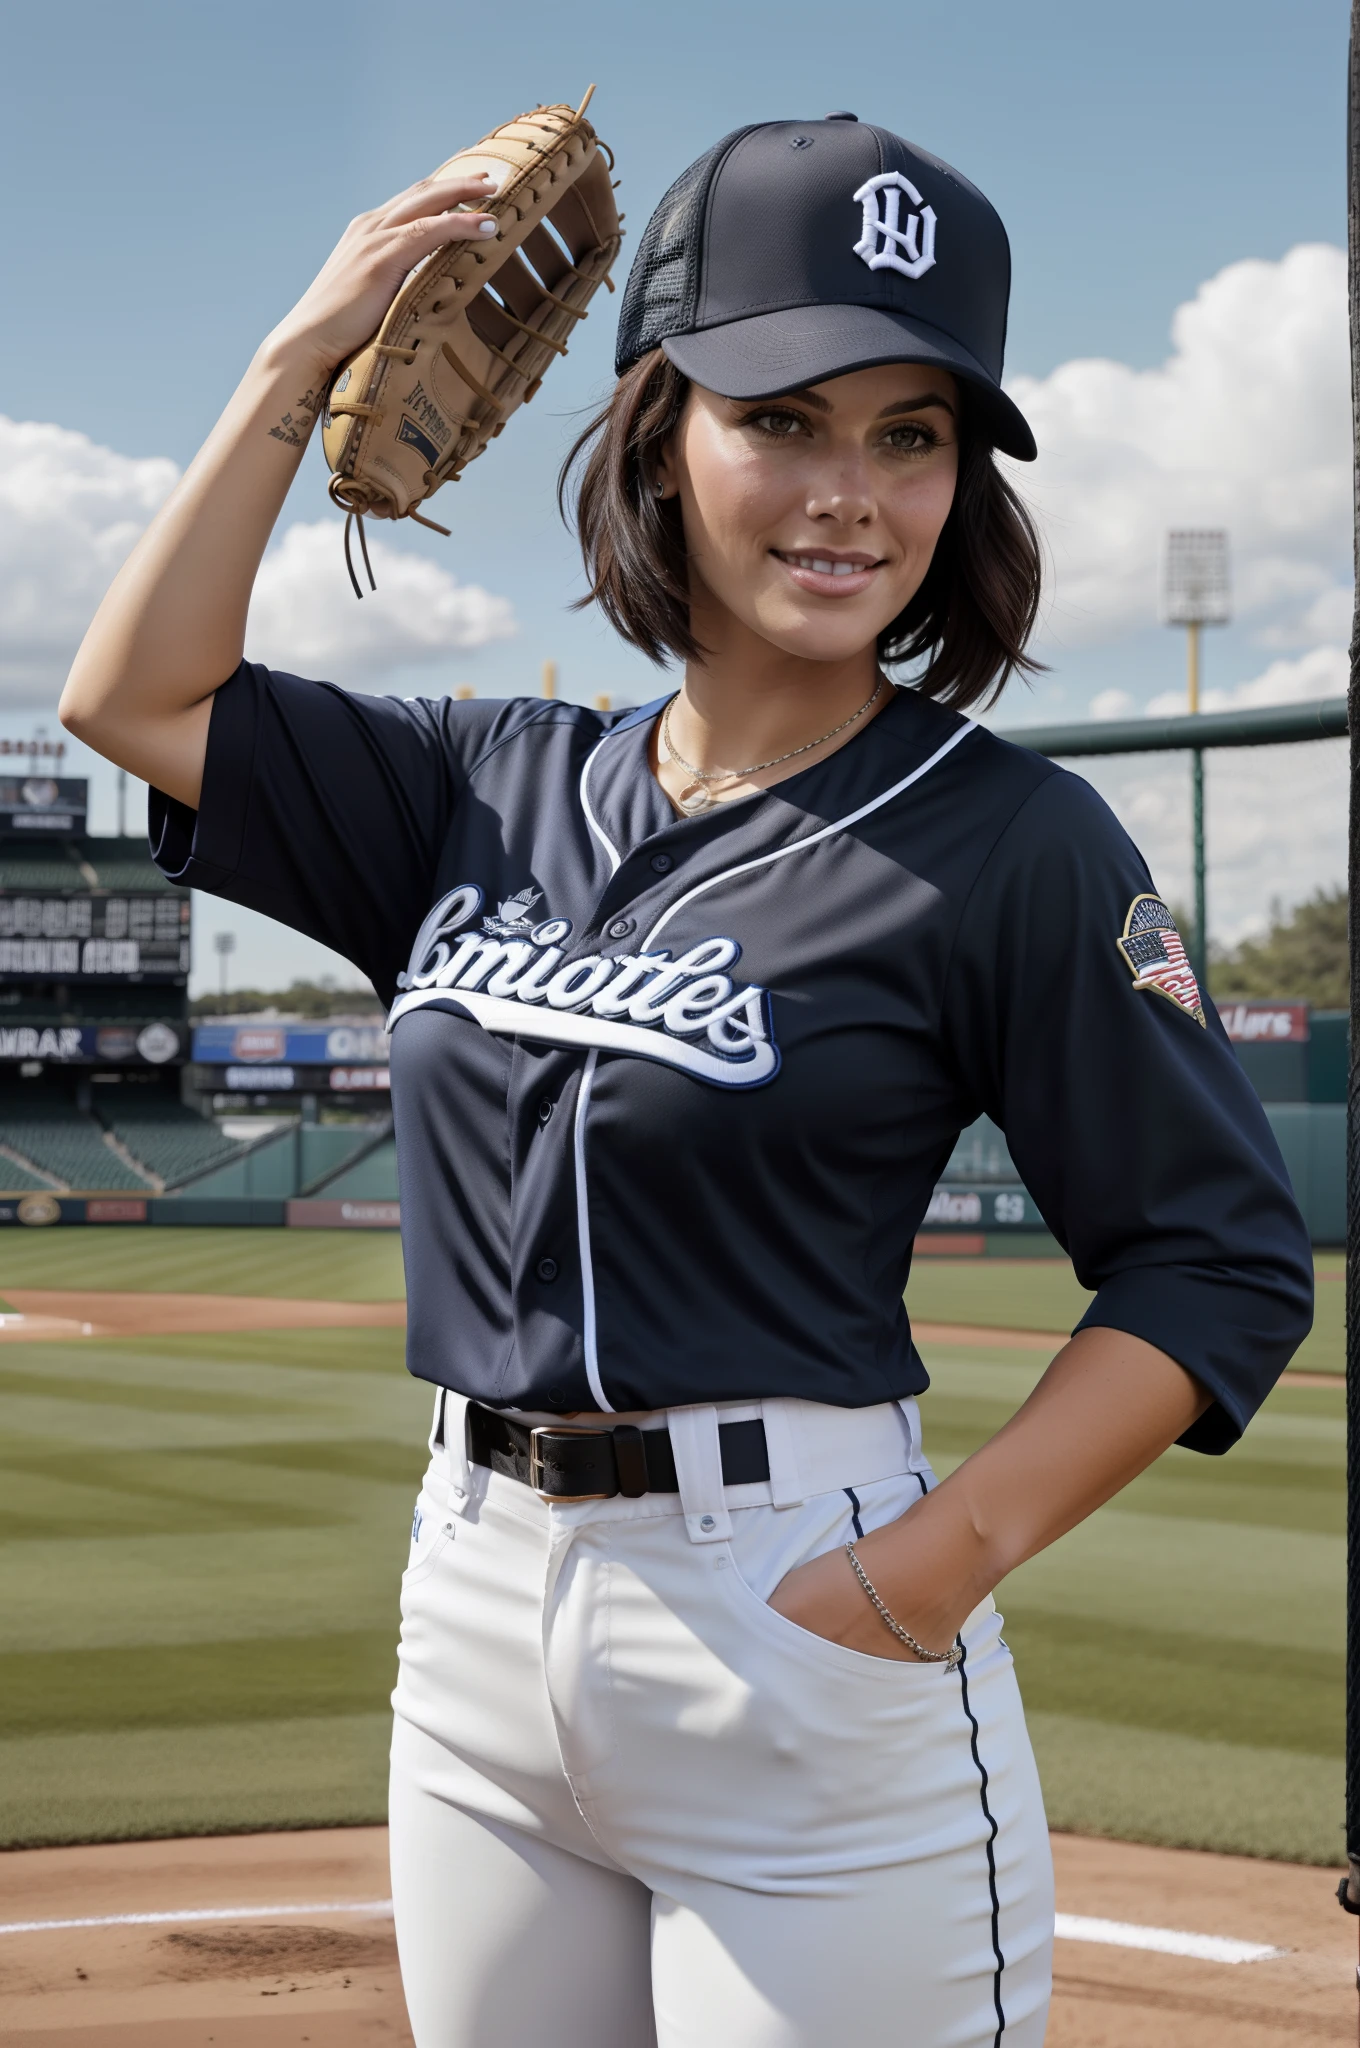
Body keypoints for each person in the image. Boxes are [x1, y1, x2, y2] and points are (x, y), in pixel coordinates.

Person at [62, 111, 1312, 2048]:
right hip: (476, 1604)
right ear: (657, 432)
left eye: (912, 435)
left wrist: (919, 1576)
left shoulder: (1007, 839)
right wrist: (286, 368)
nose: (850, 493)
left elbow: (1211, 1261)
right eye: (786, 417)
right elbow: (134, 697)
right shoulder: (480, 779)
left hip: (796, 1613)